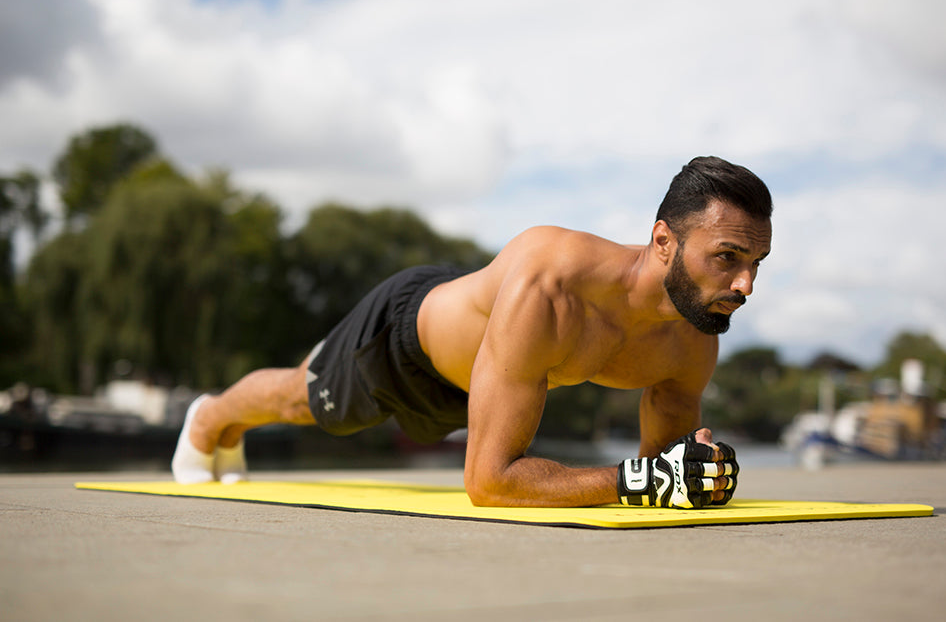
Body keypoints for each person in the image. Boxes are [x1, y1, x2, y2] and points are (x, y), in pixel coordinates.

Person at [172, 156, 773, 509]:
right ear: (664, 240)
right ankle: (208, 418)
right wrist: (629, 481)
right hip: (406, 342)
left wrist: (692, 474)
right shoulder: (553, 284)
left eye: (756, 264)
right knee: (302, 402)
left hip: (482, 372)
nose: (746, 285)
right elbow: (487, 482)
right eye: (727, 257)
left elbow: (657, 477)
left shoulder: (694, 337)